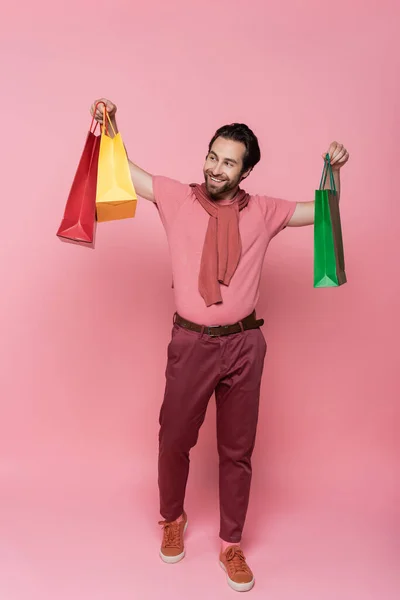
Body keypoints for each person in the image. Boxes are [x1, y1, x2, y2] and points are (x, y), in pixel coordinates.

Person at [90, 98, 349, 593]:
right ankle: (172, 518)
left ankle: (231, 544)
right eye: (212, 155)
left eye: (228, 161)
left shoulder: (266, 211)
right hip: (191, 343)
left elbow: (319, 213)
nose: (215, 167)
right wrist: (111, 129)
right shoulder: (175, 197)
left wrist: (332, 172)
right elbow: (123, 170)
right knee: (173, 439)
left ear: (245, 171)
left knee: (237, 450)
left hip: (245, 345)